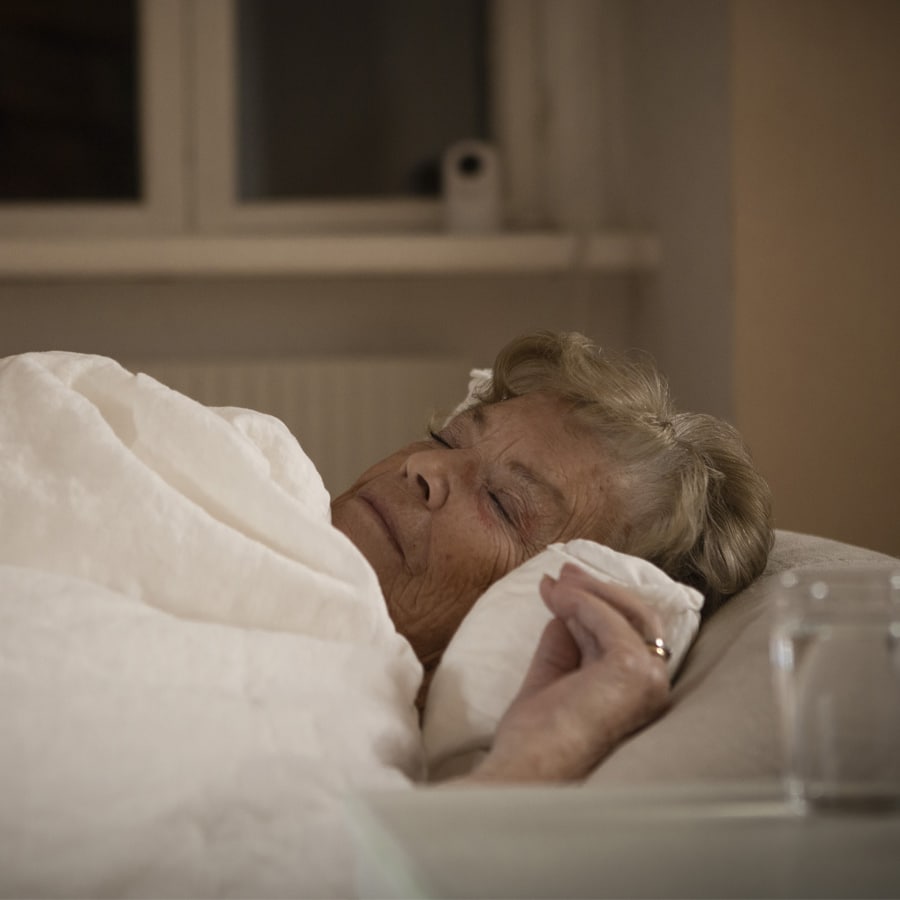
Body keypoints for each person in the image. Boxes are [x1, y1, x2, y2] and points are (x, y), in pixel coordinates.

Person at [332, 330, 773, 780]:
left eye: (503, 503)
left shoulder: (341, 739)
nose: (427, 465)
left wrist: (538, 761)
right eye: (446, 439)